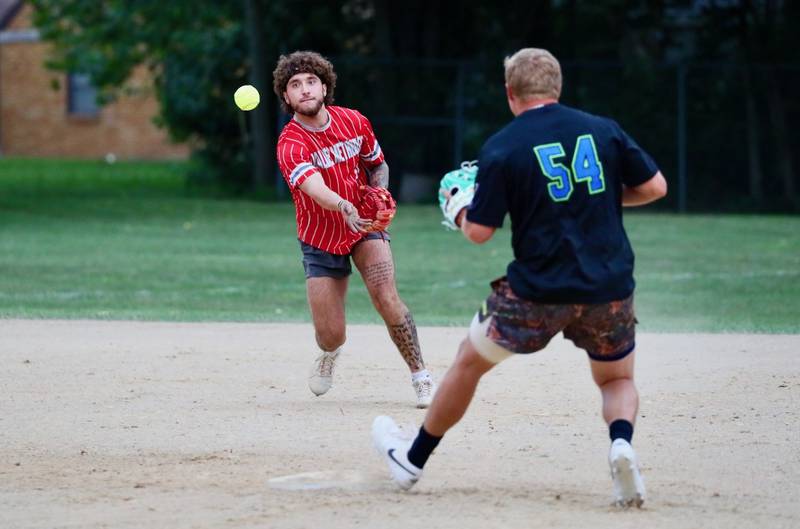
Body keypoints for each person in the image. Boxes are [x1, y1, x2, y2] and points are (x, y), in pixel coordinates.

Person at [372, 48, 668, 506]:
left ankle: (411, 460)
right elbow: (654, 187)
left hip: (536, 290)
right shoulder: (602, 129)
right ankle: (621, 446)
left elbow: (479, 233)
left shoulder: (503, 146)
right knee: (615, 380)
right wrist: (602, 197)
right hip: (607, 286)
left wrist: (460, 206)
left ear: (510, 94)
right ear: (558, 86)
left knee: (468, 361)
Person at [272, 51, 435, 408]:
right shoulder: (291, 143)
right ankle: (330, 353)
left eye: (311, 81)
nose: (304, 89)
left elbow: (377, 164)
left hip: (363, 226)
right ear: (286, 97)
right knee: (330, 334)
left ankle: (421, 375)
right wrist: (342, 205)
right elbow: (313, 186)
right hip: (320, 238)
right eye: (294, 85)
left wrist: (378, 192)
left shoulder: (354, 121)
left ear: (325, 86)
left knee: (386, 297)